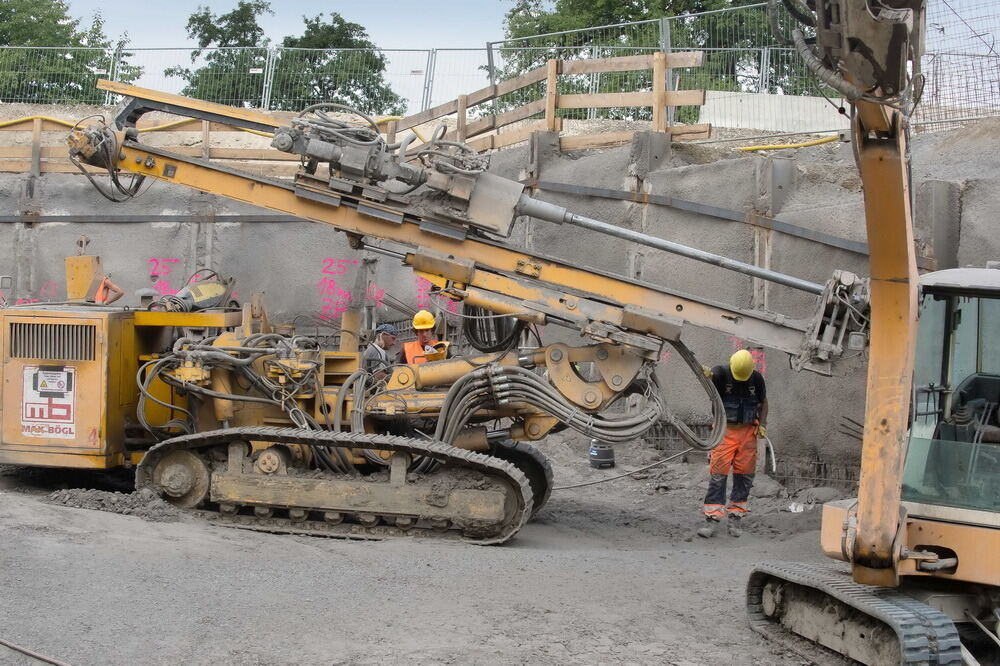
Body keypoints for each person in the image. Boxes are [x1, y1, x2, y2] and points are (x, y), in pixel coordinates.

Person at [697, 349, 768, 539]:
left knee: (744, 478)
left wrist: (762, 424)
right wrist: (705, 375)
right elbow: (710, 383)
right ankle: (712, 519)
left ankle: (735, 518)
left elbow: (763, 403)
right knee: (718, 476)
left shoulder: (756, 380)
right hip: (725, 432)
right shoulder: (721, 374)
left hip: (747, 434)